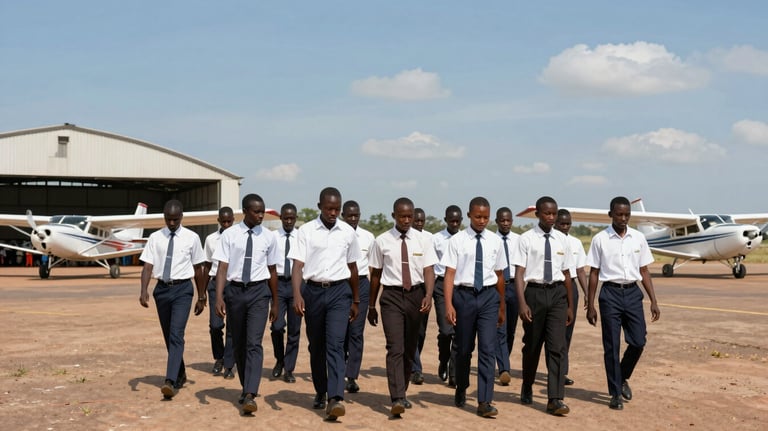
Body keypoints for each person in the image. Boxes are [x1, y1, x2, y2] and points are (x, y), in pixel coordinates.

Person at [290, 187, 361, 421]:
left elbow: (353, 268)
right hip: (312, 292)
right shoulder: (306, 231)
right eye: (329, 208)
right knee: (317, 346)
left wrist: (356, 299)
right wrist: (297, 295)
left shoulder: (348, 233)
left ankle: (336, 398)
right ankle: (321, 390)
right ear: (319, 205)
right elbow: (298, 266)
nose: (333, 213)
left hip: (340, 292)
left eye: (337, 209)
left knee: (336, 344)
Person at [586, 196, 661, 410]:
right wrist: (590, 304)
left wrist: (653, 300)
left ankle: (622, 376)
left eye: (627, 214)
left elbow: (644, 270)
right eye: (619, 214)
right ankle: (615, 394)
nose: (623, 218)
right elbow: (593, 272)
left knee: (638, 341)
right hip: (609, 294)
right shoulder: (600, 239)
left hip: (632, 294)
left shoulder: (638, 238)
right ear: (610, 214)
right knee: (612, 346)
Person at [367, 198, 437, 417]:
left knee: (409, 348)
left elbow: (428, 270)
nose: (407, 220)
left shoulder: (424, 240)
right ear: (393, 216)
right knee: (395, 347)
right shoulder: (381, 241)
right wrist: (371, 304)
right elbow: (376, 274)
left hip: (416, 296)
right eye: (402, 216)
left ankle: (402, 390)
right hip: (392, 297)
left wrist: (428, 294)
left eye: (410, 216)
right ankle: (397, 397)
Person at [213, 193, 279, 414]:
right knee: (239, 343)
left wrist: (276, 302)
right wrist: (219, 297)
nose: (261, 215)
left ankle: (251, 392)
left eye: (262, 211)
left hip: (260, 293)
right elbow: (222, 268)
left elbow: (272, 271)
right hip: (235, 292)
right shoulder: (230, 235)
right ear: (245, 212)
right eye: (256, 211)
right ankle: (245, 386)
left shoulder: (269, 237)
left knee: (254, 343)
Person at [443, 197, 506, 418]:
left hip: (489, 297)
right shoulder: (457, 241)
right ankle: (461, 386)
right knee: (463, 349)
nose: (482, 221)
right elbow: (449, 274)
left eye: (486, 217)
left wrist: (501, 307)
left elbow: (499, 276)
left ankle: (484, 401)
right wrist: (448, 304)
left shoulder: (495, 242)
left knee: (488, 349)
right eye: (478, 216)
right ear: (469, 215)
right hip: (464, 297)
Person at [511, 196, 573, 416]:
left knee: (557, 347)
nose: (551, 217)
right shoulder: (526, 239)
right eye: (547, 213)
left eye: (554, 213)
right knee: (532, 346)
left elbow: (567, 274)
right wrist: (522, 303)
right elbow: (519, 274)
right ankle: (527, 385)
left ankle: (555, 399)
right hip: (534, 294)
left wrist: (570, 306)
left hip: (557, 295)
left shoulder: (563, 240)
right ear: (537, 214)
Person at [139, 199, 206, 400]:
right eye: (168, 219)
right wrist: (144, 290)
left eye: (175, 219)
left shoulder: (192, 238)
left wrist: (202, 296)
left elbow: (199, 268)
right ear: (164, 217)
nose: (172, 223)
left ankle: (170, 380)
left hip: (183, 290)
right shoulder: (155, 238)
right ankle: (181, 372)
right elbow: (148, 266)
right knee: (169, 335)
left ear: (182, 217)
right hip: (162, 290)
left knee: (176, 333)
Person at [545, 208, 588, 386]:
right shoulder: (549, 241)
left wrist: (587, 294)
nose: (565, 226)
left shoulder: (576, 243)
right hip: (554, 287)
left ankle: (561, 371)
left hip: (572, 289)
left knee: (567, 332)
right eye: (561, 223)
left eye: (568, 224)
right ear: (555, 223)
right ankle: (553, 371)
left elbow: (580, 270)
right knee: (553, 334)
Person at [341, 200, 375, 393]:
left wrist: (370, 300)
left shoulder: (368, 237)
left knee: (356, 332)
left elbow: (372, 266)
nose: (353, 219)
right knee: (341, 331)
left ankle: (351, 375)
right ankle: (339, 368)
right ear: (343, 216)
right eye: (349, 216)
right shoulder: (336, 235)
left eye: (356, 215)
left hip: (361, 284)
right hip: (341, 284)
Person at [202, 206, 236, 379]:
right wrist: (202, 293)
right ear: (218, 221)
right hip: (216, 284)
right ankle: (219, 357)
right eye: (223, 221)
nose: (226, 224)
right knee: (215, 325)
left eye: (229, 221)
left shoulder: (239, 237)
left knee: (232, 327)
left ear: (233, 220)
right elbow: (207, 265)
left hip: (234, 284)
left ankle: (230, 363)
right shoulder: (210, 240)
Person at [269, 203, 301, 383]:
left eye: (292, 218)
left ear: (295, 218)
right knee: (277, 326)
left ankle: (289, 368)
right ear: (280, 218)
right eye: (285, 218)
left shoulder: (302, 237)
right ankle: (279, 360)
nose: (289, 221)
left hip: (296, 286)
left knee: (294, 330)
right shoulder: (273, 237)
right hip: (278, 285)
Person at [432, 205, 462, 387]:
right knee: (446, 330)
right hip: (442, 285)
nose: (455, 224)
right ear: (446, 220)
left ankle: (454, 374)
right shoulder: (436, 239)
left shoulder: (465, 239)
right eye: (452, 220)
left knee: (460, 332)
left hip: (460, 286)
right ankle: (443, 360)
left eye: (458, 221)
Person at [493, 206, 519, 386]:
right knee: (500, 328)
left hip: (514, 287)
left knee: (511, 331)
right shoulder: (490, 240)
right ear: (497, 221)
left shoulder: (519, 240)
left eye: (508, 220)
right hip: (496, 287)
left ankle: (504, 361)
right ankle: (504, 369)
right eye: (502, 220)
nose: (505, 223)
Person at [409, 207, 432, 385]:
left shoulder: (428, 239)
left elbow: (430, 268)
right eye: (415, 220)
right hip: (409, 287)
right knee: (410, 329)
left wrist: (430, 293)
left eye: (421, 221)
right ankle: (416, 369)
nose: (418, 223)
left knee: (421, 331)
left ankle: (412, 361)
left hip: (425, 287)